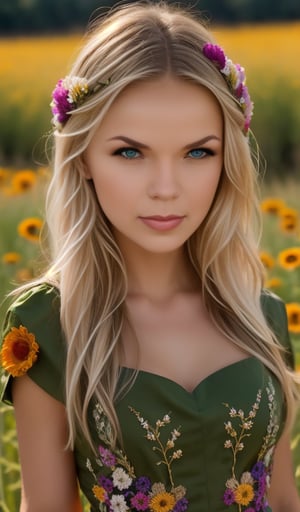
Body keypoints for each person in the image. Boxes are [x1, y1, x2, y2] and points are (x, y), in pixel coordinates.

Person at [0, 2, 299, 511]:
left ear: (227, 158)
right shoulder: (46, 328)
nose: (167, 189)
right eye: (130, 152)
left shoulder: (260, 315)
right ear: (84, 157)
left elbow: (285, 496)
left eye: (198, 152)